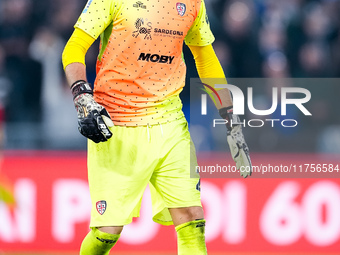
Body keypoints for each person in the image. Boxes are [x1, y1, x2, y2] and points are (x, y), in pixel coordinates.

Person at [62, 0, 251, 254]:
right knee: (107, 233)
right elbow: (74, 48)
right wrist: (82, 95)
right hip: (118, 123)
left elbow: (205, 59)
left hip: (170, 122)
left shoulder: (193, 3)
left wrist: (231, 120)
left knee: (192, 218)